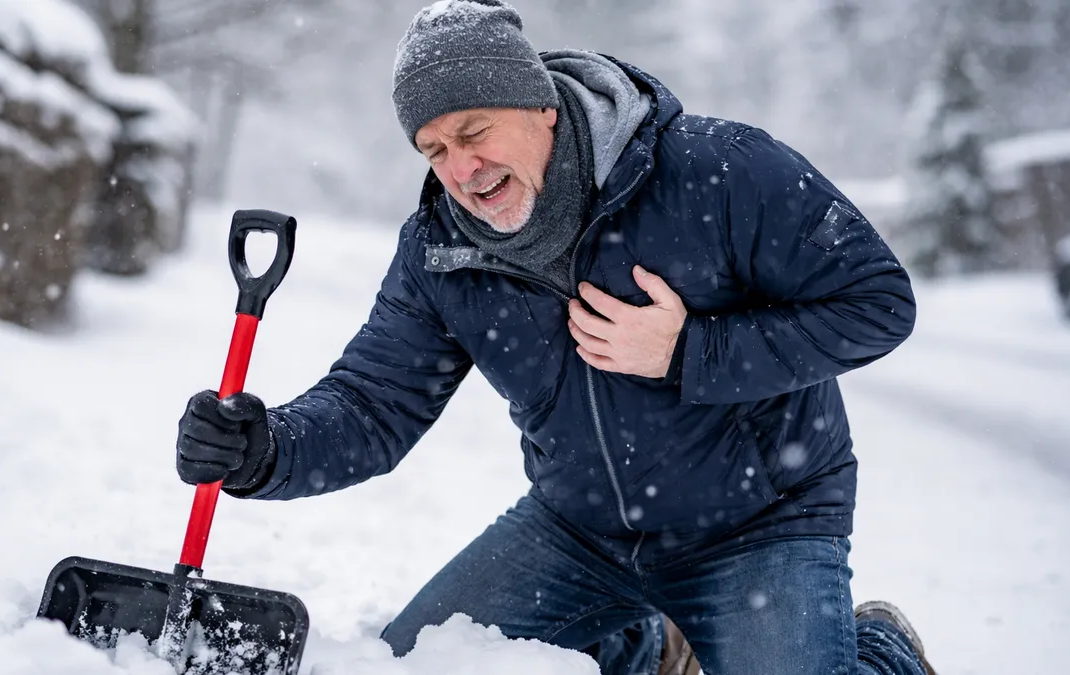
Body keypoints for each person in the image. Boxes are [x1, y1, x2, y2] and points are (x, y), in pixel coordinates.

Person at [174, 1, 934, 673]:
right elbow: (374, 404)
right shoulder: (441, 249)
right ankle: (642, 648)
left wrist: (688, 351)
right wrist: (265, 448)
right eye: (434, 151)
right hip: (580, 531)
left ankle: (881, 652)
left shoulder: (718, 170)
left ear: (540, 104)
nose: (462, 170)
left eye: (474, 132)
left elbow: (877, 301)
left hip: (758, 524)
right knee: (419, 667)